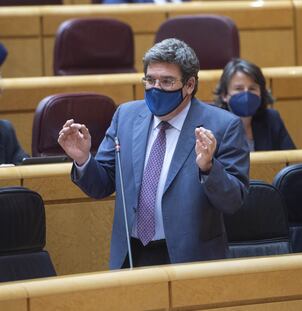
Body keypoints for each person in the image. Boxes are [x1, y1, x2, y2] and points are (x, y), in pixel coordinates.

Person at [58, 38, 249, 269]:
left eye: (167, 82)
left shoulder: (223, 125)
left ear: (189, 85)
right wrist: (83, 159)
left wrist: (208, 168)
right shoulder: (126, 117)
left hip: (191, 259)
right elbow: (102, 185)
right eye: (150, 80)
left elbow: (233, 201)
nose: (155, 88)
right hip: (132, 255)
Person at [214, 58, 295, 151]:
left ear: (261, 93)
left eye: (252, 88)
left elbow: (291, 159)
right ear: (224, 95)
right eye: (239, 88)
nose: (246, 94)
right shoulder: (213, 124)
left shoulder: (272, 119)